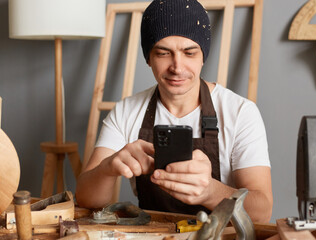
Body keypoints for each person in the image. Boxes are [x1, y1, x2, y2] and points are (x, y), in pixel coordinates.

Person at [76, 0, 273, 223]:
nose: (177, 67)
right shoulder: (125, 112)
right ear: (148, 58)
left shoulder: (240, 113)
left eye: (189, 53)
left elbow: (261, 211)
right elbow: (86, 199)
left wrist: (210, 191)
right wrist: (108, 168)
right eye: (163, 53)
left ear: (202, 57)